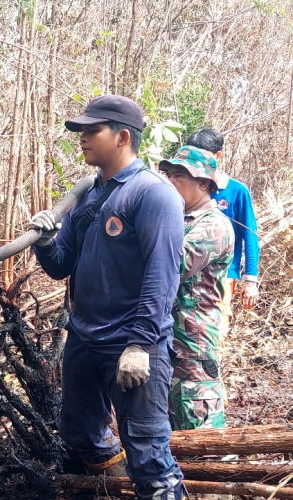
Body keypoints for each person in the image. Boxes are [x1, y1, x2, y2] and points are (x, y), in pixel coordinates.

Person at [29, 95, 187, 499]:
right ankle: (116, 488)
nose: (81, 138)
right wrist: (45, 241)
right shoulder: (89, 194)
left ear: (121, 137)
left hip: (130, 344)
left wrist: (140, 344)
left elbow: (161, 275)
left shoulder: (153, 195)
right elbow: (61, 266)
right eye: (80, 130)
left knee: (149, 457)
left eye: (91, 130)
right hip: (85, 338)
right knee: (79, 432)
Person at [160, 146, 234, 430]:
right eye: (168, 174)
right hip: (168, 337)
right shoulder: (175, 219)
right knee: (168, 413)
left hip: (194, 340)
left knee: (197, 415)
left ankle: (220, 473)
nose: (170, 181)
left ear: (203, 184)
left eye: (179, 175)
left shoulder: (213, 225)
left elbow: (173, 262)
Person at [184, 128, 259, 338]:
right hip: (187, 272)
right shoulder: (185, 187)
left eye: (204, 157)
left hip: (223, 275)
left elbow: (249, 236)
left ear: (218, 156)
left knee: (215, 331)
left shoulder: (236, 191)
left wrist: (250, 280)